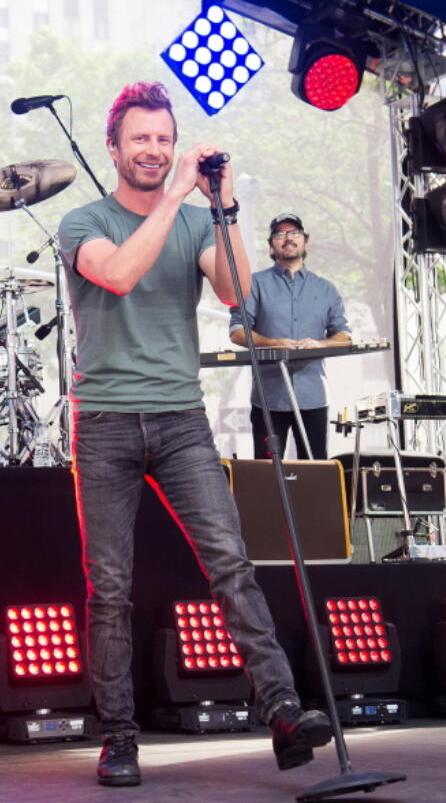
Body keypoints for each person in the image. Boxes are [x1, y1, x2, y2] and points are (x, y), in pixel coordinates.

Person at [57, 82, 332, 788]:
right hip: (107, 420)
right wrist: (180, 197)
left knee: (231, 565)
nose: (154, 150)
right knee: (110, 588)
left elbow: (240, 291)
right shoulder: (82, 220)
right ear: (113, 148)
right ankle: (119, 737)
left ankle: (283, 712)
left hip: (181, 417)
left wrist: (226, 207)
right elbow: (117, 274)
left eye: (163, 139)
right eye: (140, 139)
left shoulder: (193, 220)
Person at [229, 213, 350, 461]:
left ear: (306, 242)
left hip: (313, 396)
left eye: (294, 233)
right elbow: (237, 331)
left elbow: (344, 336)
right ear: (271, 245)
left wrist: (320, 344)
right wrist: (273, 343)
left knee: (316, 471)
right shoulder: (253, 284)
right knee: (265, 472)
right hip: (268, 397)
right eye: (280, 234)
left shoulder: (326, 289)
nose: (288, 238)